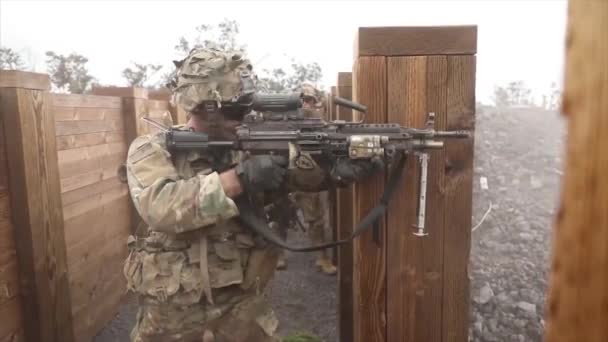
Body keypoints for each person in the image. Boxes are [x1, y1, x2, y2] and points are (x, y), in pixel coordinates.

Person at [122, 47, 383, 342]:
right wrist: (240, 178)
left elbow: (297, 176)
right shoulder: (153, 149)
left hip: (244, 319)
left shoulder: (249, 143)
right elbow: (161, 207)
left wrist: (336, 169)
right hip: (172, 325)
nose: (244, 116)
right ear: (204, 108)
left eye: (247, 105)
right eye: (235, 109)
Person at [275, 82, 337, 275]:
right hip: (285, 175)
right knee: (279, 217)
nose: (305, 104)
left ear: (316, 102)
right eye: (302, 100)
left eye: (309, 100)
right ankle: (279, 254)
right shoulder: (284, 120)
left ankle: (322, 257)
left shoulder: (320, 123)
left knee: (316, 220)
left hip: (309, 176)